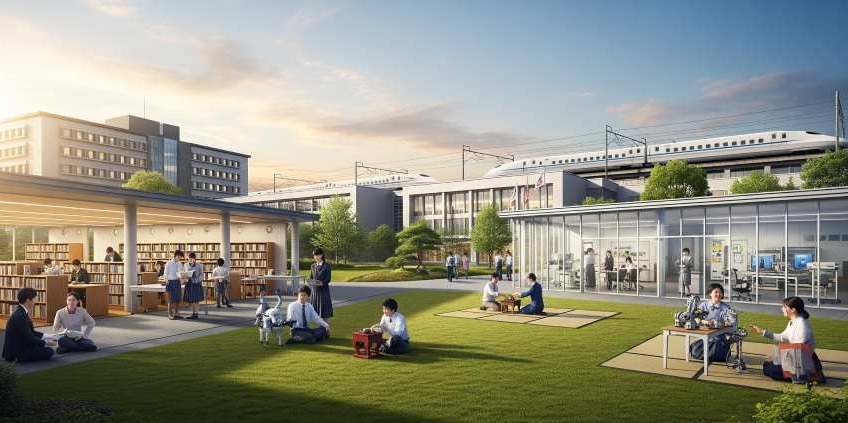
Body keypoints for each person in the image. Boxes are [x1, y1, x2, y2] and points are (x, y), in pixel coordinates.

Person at [751, 297, 826, 383]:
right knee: (768, 365)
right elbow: (782, 337)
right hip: (796, 358)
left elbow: (798, 350)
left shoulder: (802, 326)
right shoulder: (792, 322)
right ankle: (810, 374)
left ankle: (812, 374)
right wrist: (762, 332)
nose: (782, 309)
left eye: (784, 307)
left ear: (793, 310)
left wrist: (778, 359)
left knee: (771, 370)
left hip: (804, 361)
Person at [2, 287, 57, 362]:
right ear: (28, 300)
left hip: (21, 345)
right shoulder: (20, 316)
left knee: (46, 349)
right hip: (17, 353)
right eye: (35, 299)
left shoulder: (21, 312)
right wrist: (46, 343)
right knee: (49, 351)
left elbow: (31, 332)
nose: (36, 301)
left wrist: (48, 336)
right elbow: (29, 337)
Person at [689, 283, 736, 362]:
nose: (718, 294)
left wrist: (722, 323)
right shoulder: (703, 305)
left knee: (718, 353)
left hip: (719, 339)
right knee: (695, 350)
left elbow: (732, 322)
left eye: (720, 292)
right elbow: (695, 318)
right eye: (716, 292)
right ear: (710, 293)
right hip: (704, 337)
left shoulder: (726, 307)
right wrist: (705, 321)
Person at [309, 248, 333, 319]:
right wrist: (310, 282)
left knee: (324, 313)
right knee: (315, 313)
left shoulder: (327, 266)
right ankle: (320, 329)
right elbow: (311, 277)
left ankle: (325, 328)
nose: (316, 257)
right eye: (314, 255)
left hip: (323, 292)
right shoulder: (312, 266)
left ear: (322, 255)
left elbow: (328, 279)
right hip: (315, 292)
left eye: (318, 255)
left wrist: (321, 283)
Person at [164, 250, 185, 320]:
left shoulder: (180, 264)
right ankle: (170, 314)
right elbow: (165, 274)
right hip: (170, 282)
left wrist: (183, 280)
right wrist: (167, 282)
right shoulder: (168, 263)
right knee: (171, 300)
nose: (180, 258)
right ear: (176, 256)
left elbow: (182, 274)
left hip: (177, 282)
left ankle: (176, 313)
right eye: (180, 257)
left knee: (177, 299)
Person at [182, 252, 203, 320]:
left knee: (196, 300)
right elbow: (184, 274)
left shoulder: (199, 265)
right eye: (189, 258)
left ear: (195, 259)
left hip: (196, 284)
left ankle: (196, 314)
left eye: (192, 258)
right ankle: (193, 313)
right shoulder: (185, 265)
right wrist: (184, 277)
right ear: (188, 258)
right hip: (189, 284)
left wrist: (198, 279)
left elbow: (202, 275)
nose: (190, 260)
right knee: (190, 300)